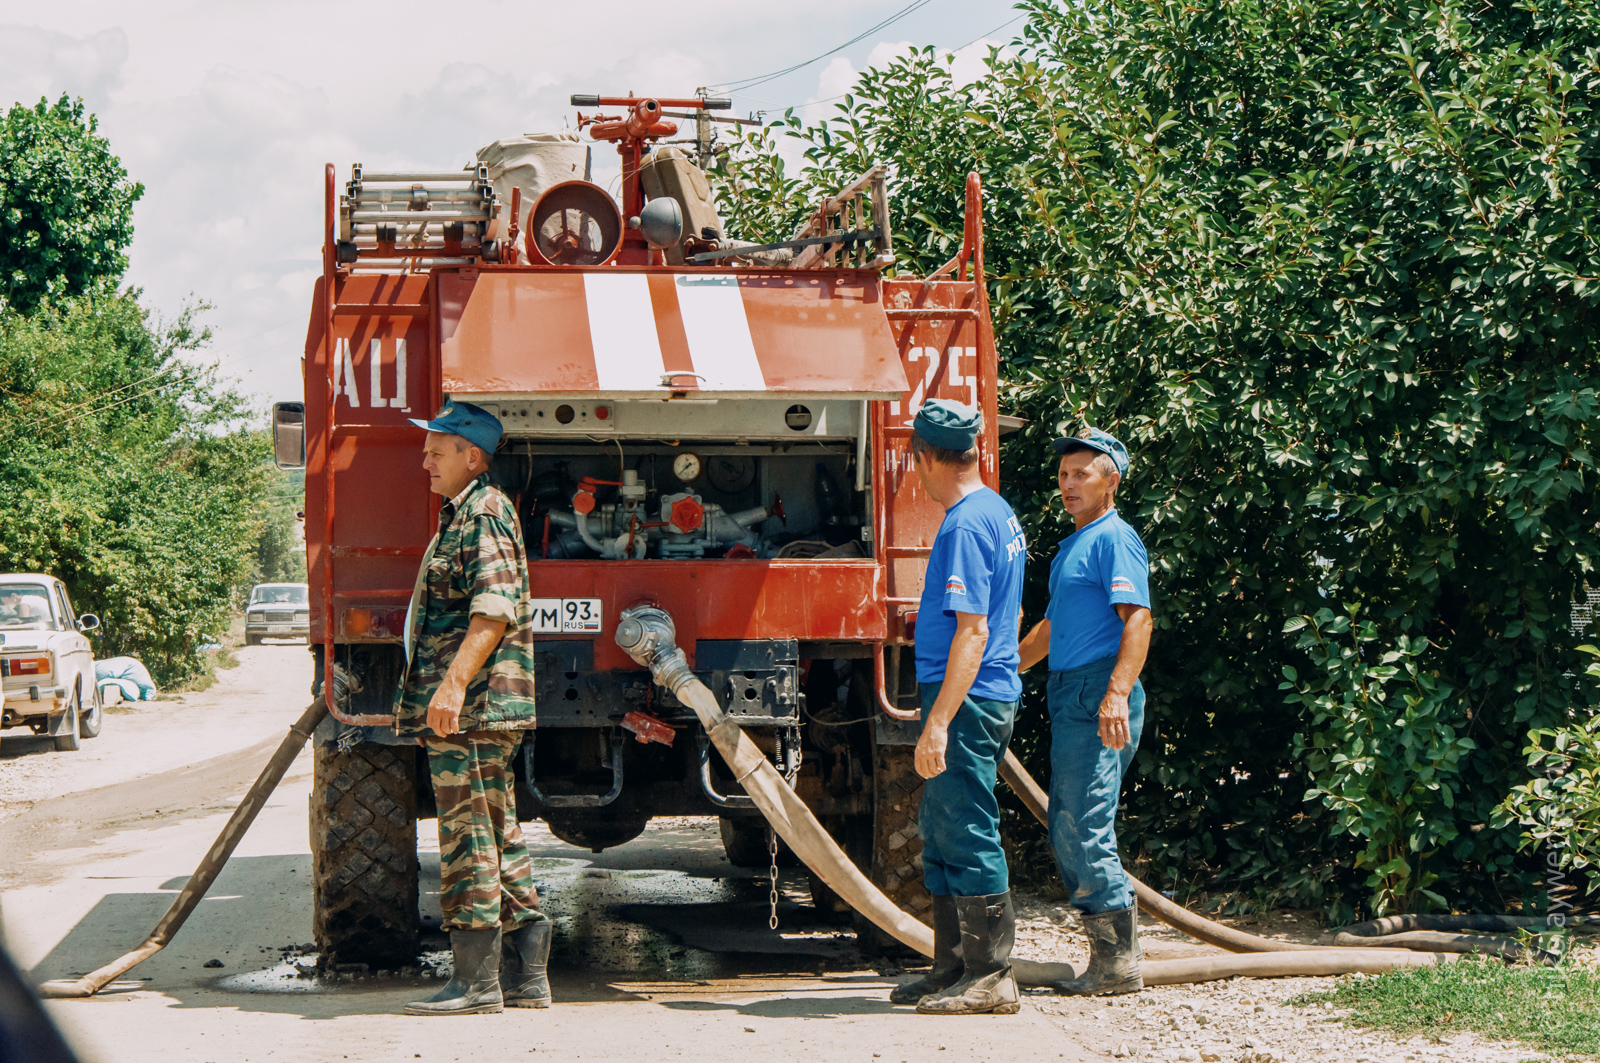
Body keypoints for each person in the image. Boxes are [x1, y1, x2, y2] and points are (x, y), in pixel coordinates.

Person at [395, 400, 548, 1017]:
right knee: (498, 832)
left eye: (437, 449)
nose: (425, 458)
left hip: (476, 708)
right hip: (481, 709)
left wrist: (452, 687)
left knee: (467, 838)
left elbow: (492, 612)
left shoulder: (482, 514)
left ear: (473, 456)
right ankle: (529, 980)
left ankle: (478, 984)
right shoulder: (466, 514)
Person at [892, 399, 1028, 1016]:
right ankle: (951, 967)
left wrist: (940, 722)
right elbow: (1014, 613)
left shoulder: (966, 524)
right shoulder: (995, 511)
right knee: (944, 829)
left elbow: (973, 631)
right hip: (977, 692)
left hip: (965, 699)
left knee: (968, 828)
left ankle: (991, 976)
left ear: (921, 457)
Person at [1018, 427, 1152, 996]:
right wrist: (1003, 670)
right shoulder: (1075, 543)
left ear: (1111, 480)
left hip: (1100, 691)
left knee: (1084, 824)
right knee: (1068, 821)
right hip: (1071, 689)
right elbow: (1053, 626)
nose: (1068, 485)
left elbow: (1138, 620)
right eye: (1063, 475)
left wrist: (1117, 692)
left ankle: (1118, 965)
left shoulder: (1114, 539)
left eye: (1081, 474)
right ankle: (1110, 957)